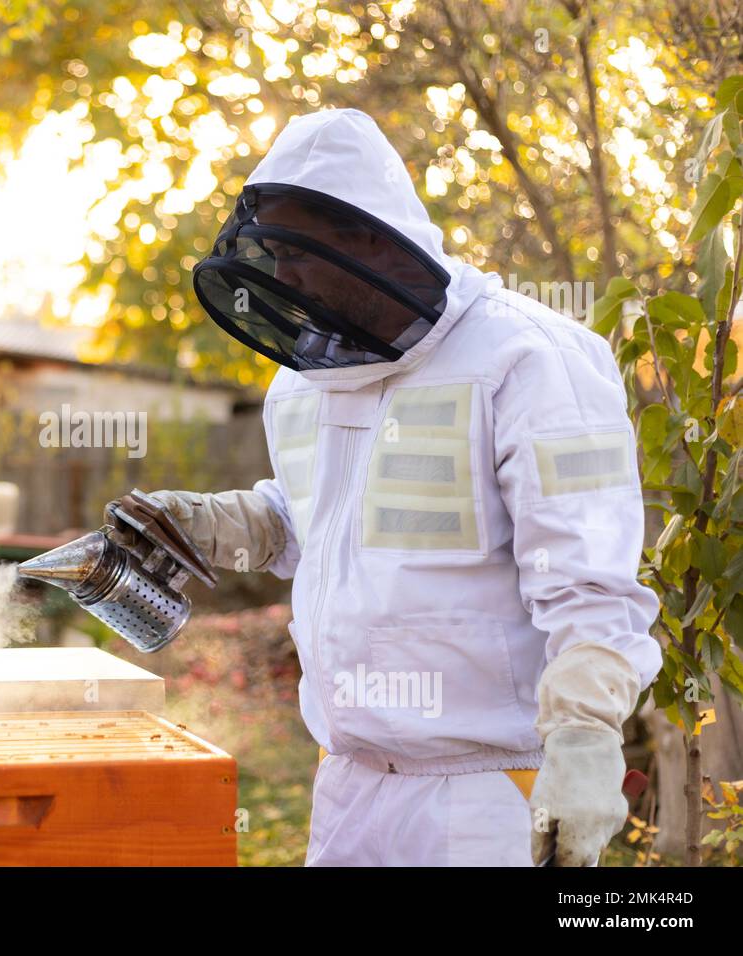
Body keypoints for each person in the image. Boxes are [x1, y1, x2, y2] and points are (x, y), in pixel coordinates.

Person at [107, 108, 660, 866]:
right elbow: (318, 520)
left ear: (368, 233)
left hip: (489, 794)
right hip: (349, 787)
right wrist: (214, 521)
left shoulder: (530, 358)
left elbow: (590, 585)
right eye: (276, 253)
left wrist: (586, 737)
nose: (287, 277)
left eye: (301, 250)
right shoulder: (305, 382)